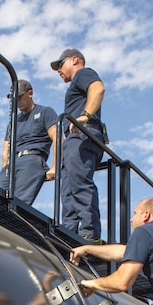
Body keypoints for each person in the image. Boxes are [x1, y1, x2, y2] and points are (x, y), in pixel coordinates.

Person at [50, 49, 105, 241]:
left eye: (60, 64)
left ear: (75, 60)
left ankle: (89, 233)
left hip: (82, 135)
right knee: (68, 189)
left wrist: (85, 116)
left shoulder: (83, 73)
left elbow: (98, 88)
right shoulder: (75, 83)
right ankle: (69, 233)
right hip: (73, 139)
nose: (58, 70)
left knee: (79, 183)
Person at [0, 80, 58, 204]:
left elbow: (58, 138)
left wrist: (54, 167)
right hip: (12, 162)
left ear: (30, 93)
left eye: (20, 97)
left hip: (32, 159)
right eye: (14, 99)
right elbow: (5, 149)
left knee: (18, 203)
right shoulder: (14, 121)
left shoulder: (45, 112)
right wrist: (6, 168)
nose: (17, 102)